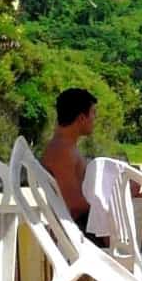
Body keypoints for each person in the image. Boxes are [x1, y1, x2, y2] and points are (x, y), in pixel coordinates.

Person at [43, 88, 99, 231]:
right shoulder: (62, 151)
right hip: (79, 232)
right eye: (93, 113)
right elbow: (73, 206)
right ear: (81, 118)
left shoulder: (65, 147)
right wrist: (112, 207)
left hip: (85, 224)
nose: (95, 118)